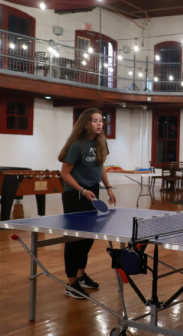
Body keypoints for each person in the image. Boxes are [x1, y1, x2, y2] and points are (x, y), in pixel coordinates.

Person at [58, 108, 117, 300]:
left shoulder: (101, 142)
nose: (99, 124)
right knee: (74, 239)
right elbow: (64, 173)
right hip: (75, 194)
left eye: (101, 120)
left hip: (93, 191)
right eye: (95, 121)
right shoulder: (76, 145)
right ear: (85, 123)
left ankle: (81, 276)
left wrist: (108, 187)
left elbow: (100, 167)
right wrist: (81, 190)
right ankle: (71, 283)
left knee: (88, 237)